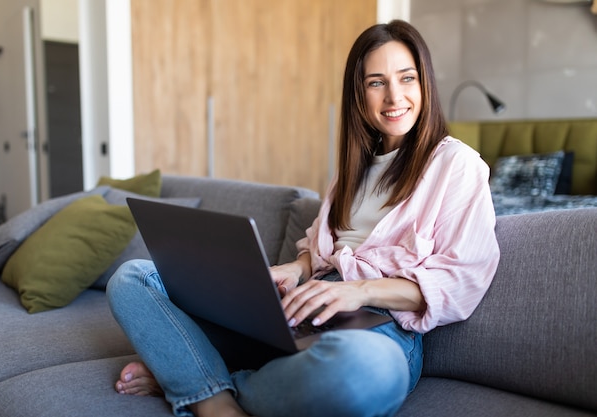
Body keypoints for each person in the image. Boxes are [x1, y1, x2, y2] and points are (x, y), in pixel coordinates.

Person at [106, 19, 500, 417]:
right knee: (134, 277)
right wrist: (295, 269)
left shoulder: (458, 165)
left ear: (425, 83)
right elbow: (319, 249)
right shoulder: (351, 172)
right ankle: (212, 390)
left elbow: (461, 279)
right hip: (300, 312)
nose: (394, 96)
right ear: (359, 95)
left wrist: (360, 291)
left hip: (378, 329)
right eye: (376, 82)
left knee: (364, 371)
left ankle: (201, 384)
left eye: (407, 78)